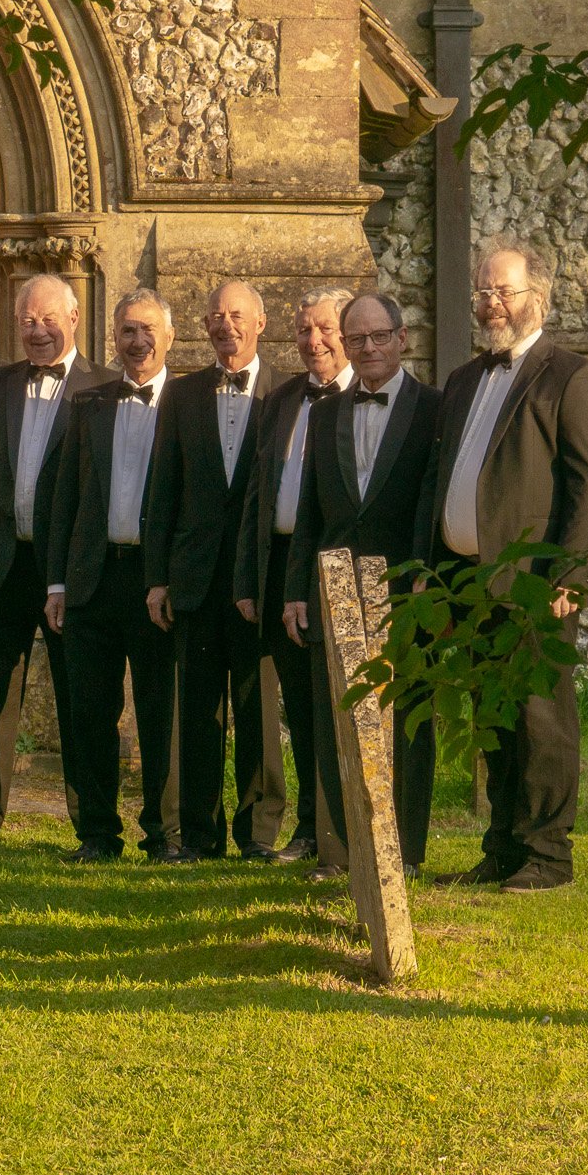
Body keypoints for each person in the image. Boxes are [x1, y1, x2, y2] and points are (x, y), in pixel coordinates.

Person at [422, 239, 588, 892]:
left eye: (502, 290)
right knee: (491, 717)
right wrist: (432, 570)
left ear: (540, 296)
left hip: (536, 582)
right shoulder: (464, 379)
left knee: (541, 716)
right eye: (481, 290)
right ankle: (502, 848)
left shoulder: (571, 375)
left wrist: (568, 575)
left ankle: (549, 855)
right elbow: (440, 476)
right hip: (469, 582)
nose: (489, 302)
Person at [0, 275, 105, 848]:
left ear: (76, 316)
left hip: (69, 572)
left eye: (48, 319)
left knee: (78, 698)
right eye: (27, 321)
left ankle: (93, 827)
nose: (38, 331)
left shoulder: (101, 388)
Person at [284, 293, 442, 881]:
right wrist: (297, 588)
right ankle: (349, 851)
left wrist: (427, 581)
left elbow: (431, 505)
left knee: (406, 724)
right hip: (335, 588)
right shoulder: (324, 414)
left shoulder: (434, 408)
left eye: (380, 337)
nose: (369, 348)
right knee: (337, 722)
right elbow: (308, 511)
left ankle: (406, 853)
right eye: (358, 340)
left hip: (406, 590)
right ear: (345, 346)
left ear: (403, 339)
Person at [145, 280, 288, 861]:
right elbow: (163, 490)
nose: (225, 325)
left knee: (256, 708)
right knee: (198, 713)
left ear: (260, 323)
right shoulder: (180, 395)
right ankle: (199, 834)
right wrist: (158, 578)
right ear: (203, 328)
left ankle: (257, 833)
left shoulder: (286, 394)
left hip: (257, 580)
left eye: (236, 315)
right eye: (215, 316)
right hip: (196, 580)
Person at [46, 290, 181, 862]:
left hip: (155, 586)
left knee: (159, 712)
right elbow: (65, 501)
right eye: (128, 330)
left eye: (148, 329)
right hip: (92, 581)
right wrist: (57, 584)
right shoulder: (90, 403)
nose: (138, 340)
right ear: (114, 339)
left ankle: (164, 833)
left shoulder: (187, 403)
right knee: (89, 714)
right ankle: (97, 833)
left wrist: (172, 577)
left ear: (168, 337)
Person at [234, 287, 354, 866]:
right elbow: (258, 497)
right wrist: (248, 581)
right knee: (302, 710)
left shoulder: (366, 395)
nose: (314, 341)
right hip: (281, 565)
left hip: (339, 567)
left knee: (340, 707)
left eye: (325, 329)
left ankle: (345, 831)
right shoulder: (280, 400)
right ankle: (310, 830)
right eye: (304, 331)